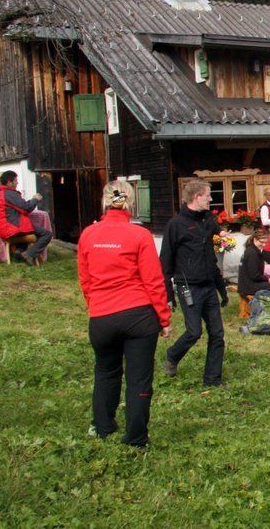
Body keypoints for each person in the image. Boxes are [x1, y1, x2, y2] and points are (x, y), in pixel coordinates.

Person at [77, 181, 171, 447]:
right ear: (131, 201)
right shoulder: (139, 235)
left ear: (105, 200)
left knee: (105, 371)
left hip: (102, 315)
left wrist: (95, 307)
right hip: (138, 315)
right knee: (138, 379)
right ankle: (136, 437)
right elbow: (153, 280)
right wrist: (164, 318)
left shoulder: (88, 234)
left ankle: (102, 426)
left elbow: (85, 279)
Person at [160, 179, 230, 387]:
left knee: (217, 334)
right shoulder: (176, 225)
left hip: (209, 285)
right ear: (196, 197)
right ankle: (172, 355)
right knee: (194, 331)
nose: (210, 199)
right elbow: (165, 261)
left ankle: (212, 380)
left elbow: (216, 245)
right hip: (188, 286)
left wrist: (222, 289)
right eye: (207, 195)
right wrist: (168, 295)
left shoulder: (208, 219)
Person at [0, 170, 53, 264]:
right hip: (12, 228)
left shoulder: (2, 193)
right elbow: (26, 208)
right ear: (9, 182)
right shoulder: (9, 193)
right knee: (47, 234)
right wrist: (35, 199)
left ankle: (20, 251)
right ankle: (28, 254)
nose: (17, 183)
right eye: (15, 181)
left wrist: (32, 200)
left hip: (6, 227)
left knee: (31, 229)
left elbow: (21, 206)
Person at [237, 227, 270, 299]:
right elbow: (255, 276)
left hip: (245, 284)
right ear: (255, 239)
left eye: (265, 242)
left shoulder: (251, 249)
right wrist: (268, 279)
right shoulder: (253, 253)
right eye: (261, 242)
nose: (264, 245)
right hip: (248, 287)